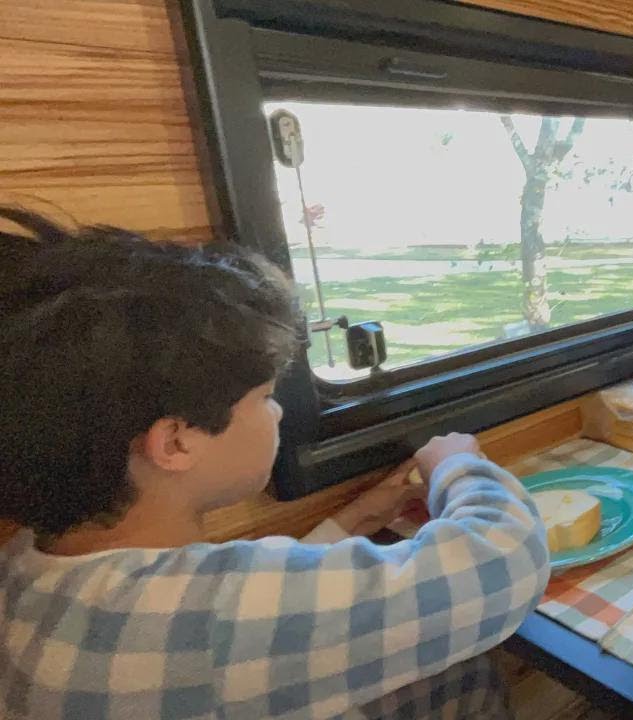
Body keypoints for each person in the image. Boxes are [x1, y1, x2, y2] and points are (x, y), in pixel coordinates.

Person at [0, 207, 550, 719]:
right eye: (264, 396)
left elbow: (256, 618)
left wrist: (354, 519)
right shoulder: (201, 624)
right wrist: (458, 464)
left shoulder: (28, 565)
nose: (279, 409)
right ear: (175, 442)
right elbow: (506, 564)